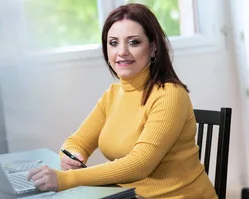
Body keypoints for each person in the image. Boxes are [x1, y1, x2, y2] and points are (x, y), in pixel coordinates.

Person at [26, 3, 218, 198]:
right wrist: (71, 155)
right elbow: (77, 141)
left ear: (153, 48)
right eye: (113, 42)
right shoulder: (113, 95)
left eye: (133, 42)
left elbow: (140, 164)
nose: (122, 52)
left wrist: (65, 179)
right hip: (129, 196)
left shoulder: (170, 95)